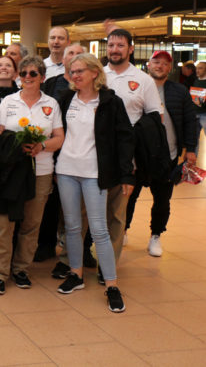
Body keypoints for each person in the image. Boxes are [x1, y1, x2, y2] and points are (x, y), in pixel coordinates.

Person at [55, 53, 134, 313]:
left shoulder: (111, 102)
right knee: (73, 226)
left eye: (80, 71)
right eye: (72, 71)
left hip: (94, 174)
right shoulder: (66, 99)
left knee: (99, 229)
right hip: (66, 170)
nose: (75, 75)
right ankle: (76, 273)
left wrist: (126, 175)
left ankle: (111, 285)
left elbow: (125, 139)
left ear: (94, 72)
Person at [0, 56, 64, 295]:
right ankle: (0, 273)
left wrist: (42, 146)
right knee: (4, 223)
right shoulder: (8, 102)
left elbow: (59, 137)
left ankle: (21, 269)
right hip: (11, 172)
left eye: (33, 74)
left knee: (31, 224)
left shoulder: (51, 104)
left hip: (40, 171)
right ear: (18, 77)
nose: (28, 78)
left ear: (42, 77)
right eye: (24, 74)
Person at [125, 51, 198, 257]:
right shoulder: (136, 86)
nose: (160, 66)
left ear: (170, 68)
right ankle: (123, 230)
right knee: (129, 196)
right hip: (138, 154)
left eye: (165, 63)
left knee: (162, 200)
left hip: (168, 155)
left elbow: (190, 120)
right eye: (156, 62)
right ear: (149, 64)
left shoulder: (179, 91)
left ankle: (156, 235)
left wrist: (191, 149)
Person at [102, 27, 162, 266]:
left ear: (130, 49)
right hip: (94, 154)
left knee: (117, 214)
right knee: (93, 212)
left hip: (127, 158)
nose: (115, 50)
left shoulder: (143, 80)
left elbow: (155, 117)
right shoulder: (97, 75)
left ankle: (109, 263)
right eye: (111, 45)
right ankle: (88, 256)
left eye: (120, 45)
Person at [35, 44, 86, 264]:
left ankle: (79, 252)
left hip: (82, 155)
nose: (74, 58)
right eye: (70, 54)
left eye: (78, 54)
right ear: (62, 61)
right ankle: (46, 245)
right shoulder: (52, 85)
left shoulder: (93, 90)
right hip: (54, 152)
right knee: (51, 204)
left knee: (78, 211)